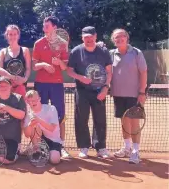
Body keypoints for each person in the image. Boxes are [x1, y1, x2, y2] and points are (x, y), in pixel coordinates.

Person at [67, 26, 112, 159]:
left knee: (100, 119)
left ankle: (100, 147)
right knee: (81, 118)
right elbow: (70, 70)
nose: (89, 39)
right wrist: (80, 78)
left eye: (91, 37)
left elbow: (109, 71)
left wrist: (105, 88)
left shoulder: (103, 51)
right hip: (82, 91)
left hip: (100, 90)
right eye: (86, 37)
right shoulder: (76, 51)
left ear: (95, 36)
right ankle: (84, 147)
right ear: (82, 38)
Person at [32, 16, 70, 158]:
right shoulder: (38, 43)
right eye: (44, 25)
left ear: (54, 27)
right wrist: (44, 65)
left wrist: (58, 62)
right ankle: (39, 145)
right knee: (38, 113)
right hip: (41, 84)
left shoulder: (63, 44)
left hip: (56, 84)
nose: (45, 28)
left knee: (60, 115)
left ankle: (60, 145)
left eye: (47, 25)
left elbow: (65, 67)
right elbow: (34, 66)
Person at [110, 29, 148, 164]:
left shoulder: (136, 53)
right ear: (113, 40)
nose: (119, 39)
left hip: (134, 95)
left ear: (127, 38)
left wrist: (142, 92)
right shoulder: (111, 54)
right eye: (116, 37)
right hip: (118, 94)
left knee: (134, 122)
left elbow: (143, 72)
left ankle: (135, 151)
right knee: (124, 122)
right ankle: (127, 148)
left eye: (122, 37)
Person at [23, 90, 62, 164]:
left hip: (53, 140)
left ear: (39, 99)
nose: (31, 103)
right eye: (29, 101)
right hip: (39, 140)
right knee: (35, 125)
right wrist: (30, 125)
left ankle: (45, 152)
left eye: (34, 100)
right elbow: (27, 135)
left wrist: (39, 120)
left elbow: (52, 128)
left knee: (55, 160)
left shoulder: (51, 109)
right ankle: (37, 149)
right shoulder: (28, 113)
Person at [0, 25, 31, 98]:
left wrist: (24, 79)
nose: (13, 36)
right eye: (10, 34)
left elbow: (28, 68)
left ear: (18, 35)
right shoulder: (3, 51)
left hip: (20, 86)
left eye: (15, 34)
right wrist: (11, 77)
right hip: (5, 86)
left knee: (20, 109)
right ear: (7, 36)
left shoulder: (25, 50)